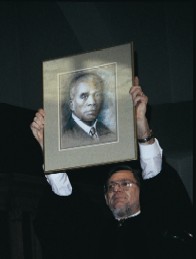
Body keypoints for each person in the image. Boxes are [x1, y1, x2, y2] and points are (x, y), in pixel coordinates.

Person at [30, 77, 193, 259]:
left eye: (125, 183)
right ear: (106, 198)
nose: (117, 189)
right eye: (111, 187)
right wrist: (51, 151)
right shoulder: (94, 234)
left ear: (142, 191)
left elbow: (157, 180)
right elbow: (64, 204)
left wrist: (142, 129)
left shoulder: (159, 226)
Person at [60, 71, 117, 148]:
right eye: (84, 96)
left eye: (97, 95)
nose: (92, 102)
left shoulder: (107, 132)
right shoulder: (64, 137)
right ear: (72, 105)